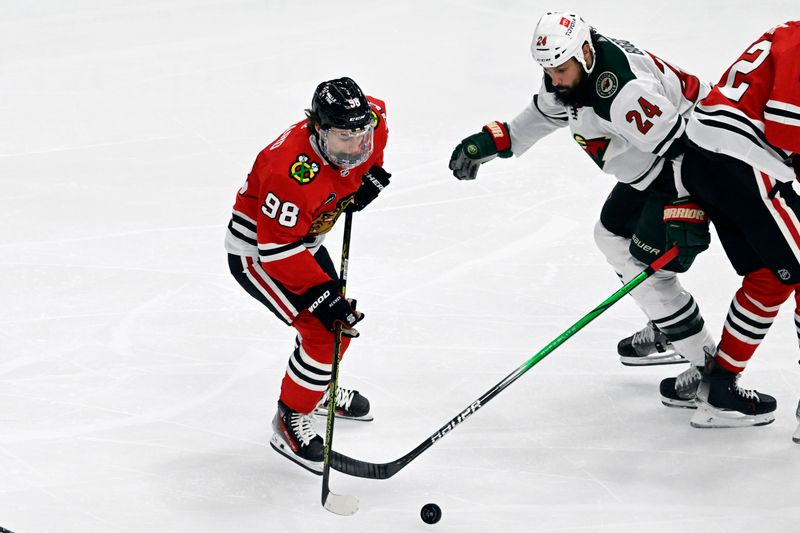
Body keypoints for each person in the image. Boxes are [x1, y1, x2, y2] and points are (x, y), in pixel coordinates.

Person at [448, 11, 716, 406]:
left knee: (646, 266)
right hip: (653, 164)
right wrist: (496, 141)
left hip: (693, 163)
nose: (553, 80)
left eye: (560, 69)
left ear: (586, 53)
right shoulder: (574, 74)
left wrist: (687, 206)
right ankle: (670, 325)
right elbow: (545, 112)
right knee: (610, 236)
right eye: (548, 70)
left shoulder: (622, 91)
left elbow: (688, 148)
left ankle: (711, 368)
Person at [224, 77, 392, 473]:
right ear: (318, 129)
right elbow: (277, 250)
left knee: (338, 328)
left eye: (361, 137)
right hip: (262, 254)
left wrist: (369, 175)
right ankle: (289, 419)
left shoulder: (373, 119)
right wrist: (321, 293)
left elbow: (373, 140)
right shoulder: (289, 173)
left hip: (305, 241)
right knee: (325, 330)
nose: (355, 149)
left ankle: (315, 391)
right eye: (343, 139)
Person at [665, 21, 800, 430]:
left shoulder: (788, 30)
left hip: (710, 157)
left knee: (770, 276)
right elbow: (786, 129)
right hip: (743, 163)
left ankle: (719, 388)